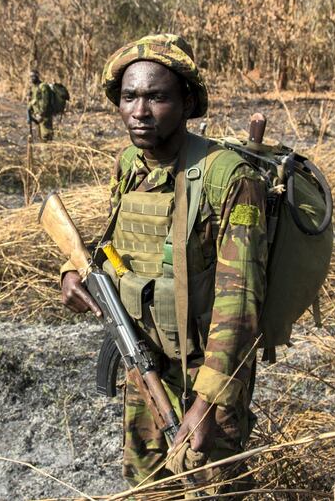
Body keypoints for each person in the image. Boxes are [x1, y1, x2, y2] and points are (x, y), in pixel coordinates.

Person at [60, 34, 267, 494]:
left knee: (212, 486)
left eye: (157, 97)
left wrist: (208, 402)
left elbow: (241, 302)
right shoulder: (129, 165)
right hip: (143, 361)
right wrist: (73, 274)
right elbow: (114, 250)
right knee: (147, 485)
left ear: (187, 101)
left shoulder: (230, 179)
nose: (139, 111)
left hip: (207, 373)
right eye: (129, 96)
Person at [28, 70, 54, 142]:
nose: (31, 78)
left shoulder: (43, 87)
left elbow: (45, 102)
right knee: (41, 136)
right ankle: (44, 151)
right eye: (30, 77)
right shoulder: (33, 87)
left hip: (45, 116)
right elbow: (33, 101)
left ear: (37, 76)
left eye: (33, 76)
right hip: (37, 115)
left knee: (46, 136)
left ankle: (47, 152)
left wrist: (41, 114)